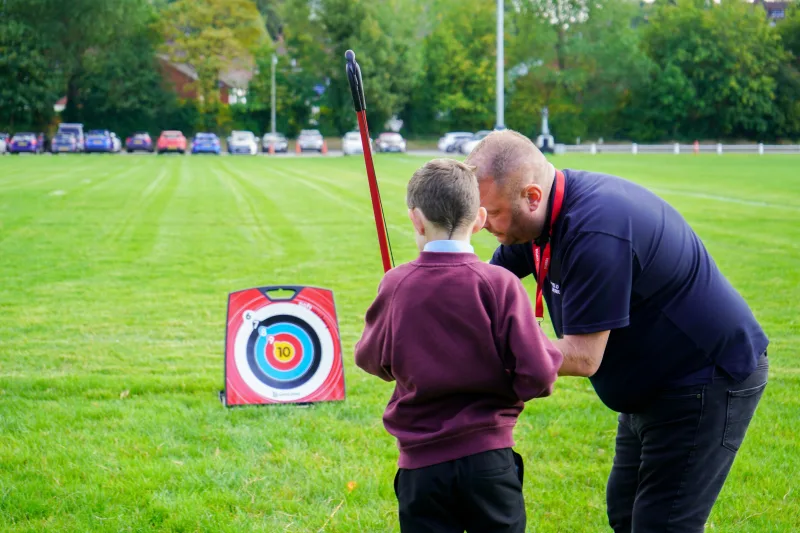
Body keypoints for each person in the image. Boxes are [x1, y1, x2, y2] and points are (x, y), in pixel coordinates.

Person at [465, 129, 769, 533]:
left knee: (664, 524)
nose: (484, 224)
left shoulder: (595, 230)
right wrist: (429, 301)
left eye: (492, 213)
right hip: (653, 382)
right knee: (625, 513)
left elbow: (582, 356)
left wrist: (490, 353)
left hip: (703, 378)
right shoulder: (534, 219)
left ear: (532, 196)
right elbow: (486, 284)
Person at [354, 158, 563, 533]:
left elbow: (371, 359)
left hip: (422, 471)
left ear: (416, 220)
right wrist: (512, 389)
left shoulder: (397, 284)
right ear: (480, 219)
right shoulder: (500, 284)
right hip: (490, 464)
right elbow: (540, 374)